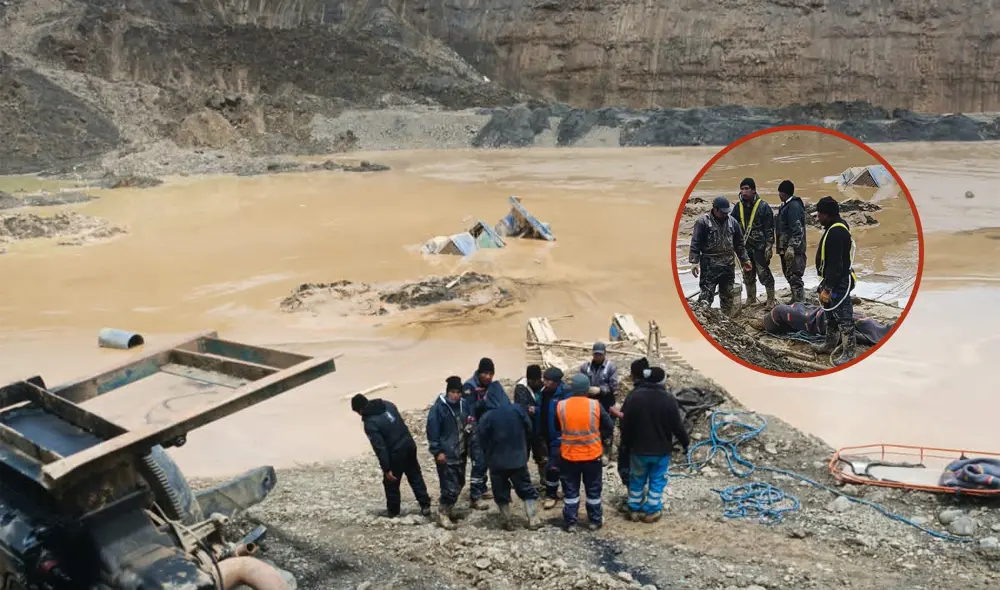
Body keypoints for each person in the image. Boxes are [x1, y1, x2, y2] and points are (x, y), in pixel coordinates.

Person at [619, 367, 690, 523]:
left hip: (638, 450)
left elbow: (625, 423)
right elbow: (677, 426)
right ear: (662, 381)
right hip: (660, 450)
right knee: (657, 479)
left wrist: (625, 444)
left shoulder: (634, 397)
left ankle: (634, 508)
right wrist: (685, 443)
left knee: (637, 478)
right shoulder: (668, 399)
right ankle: (651, 510)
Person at [353, 394, 432, 519]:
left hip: (396, 453)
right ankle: (425, 505)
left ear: (360, 410)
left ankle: (393, 511)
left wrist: (386, 468)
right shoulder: (387, 404)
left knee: (391, 482)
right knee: (415, 475)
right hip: (409, 444)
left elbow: (380, 447)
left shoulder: (370, 422)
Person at [555, 374, 615, 532]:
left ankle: (571, 523)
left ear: (572, 388)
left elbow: (556, 426)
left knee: (570, 491)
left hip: (569, 456)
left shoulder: (561, 405)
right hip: (591, 456)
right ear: (587, 389)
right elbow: (609, 425)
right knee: (593, 491)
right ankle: (594, 521)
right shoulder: (594, 405)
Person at [477, 390, 542, 530]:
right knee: (526, 488)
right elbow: (529, 427)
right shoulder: (517, 409)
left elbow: (481, 439)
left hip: (496, 462)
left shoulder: (487, 416)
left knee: (500, 491)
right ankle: (533, 519)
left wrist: (487, 455)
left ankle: (507, 521)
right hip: (518, 459)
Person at [812, 196, 858, 366]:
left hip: (838, 281)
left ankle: (849, 352)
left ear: (827, 214)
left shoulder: (836, 232)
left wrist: (828, 288)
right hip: (832, 279)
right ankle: (830, 344)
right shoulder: (836, 225)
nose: (817, 217)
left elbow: (836, 264)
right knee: (829, 314)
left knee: (844, 316)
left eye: (819, 214)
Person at [689, 196, 753, 316]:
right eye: (723, 212)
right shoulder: (703, 222)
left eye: (726, 212)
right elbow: (695, 243)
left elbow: (739, 244)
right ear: (715, 209)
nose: (725, 214)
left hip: (728, 266)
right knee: (706, 297)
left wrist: (745, 259)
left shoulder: (732, 222)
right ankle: (703, 320)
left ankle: (727, 319)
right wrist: (694, 262)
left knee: (728, 296)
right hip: (709, 266)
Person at [462, 358, 508, 510]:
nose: (488, 377)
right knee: (479, 463)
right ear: (479, 372)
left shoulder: (492, 386)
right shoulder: (469, 387)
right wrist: (484, 401)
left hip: (489, 428)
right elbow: (468, 410)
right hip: (475, 430)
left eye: (490, 374)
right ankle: (475, 496)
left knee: (487, 460)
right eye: (485, 373)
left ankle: (482, 487)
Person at [426, 376, 470, 529]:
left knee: (460, 483)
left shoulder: (464, 405)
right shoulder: (438, 409)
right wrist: (437, 452)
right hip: (446, 454)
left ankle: (449, 509)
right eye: (452, 392)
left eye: (458, 392)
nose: (455, 395)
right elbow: (432, 432)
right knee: (449, 487)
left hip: (461, 451)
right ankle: (442, 513)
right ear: (447, 392)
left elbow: (469, 421)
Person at [732, 178, 776, 308]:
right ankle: (751, 298)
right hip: (744, 248)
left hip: (760, 247)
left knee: (764, 273)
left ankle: (771, 299)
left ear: (753, 190)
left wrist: (769, 246)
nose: (744, 192)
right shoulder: (737, 207)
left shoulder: (763, 206)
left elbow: (769, 229)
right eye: (742, 189)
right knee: (747, 273)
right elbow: (732, 227)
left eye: (747, 189)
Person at [613, 357, 649, 509]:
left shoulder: (635, 395)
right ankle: (646, 501)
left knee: (628, 471)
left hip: (634, 443)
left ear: (634, 375)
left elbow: (627, 420)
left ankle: (634, 503)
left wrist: (617, 413)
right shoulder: (661, 393)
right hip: (654, 443)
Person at [578, 342, 619, 466]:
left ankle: (606, 453)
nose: (597, 357)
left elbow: (614, 386)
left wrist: (600, 390)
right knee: (590, 427)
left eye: (600, 355)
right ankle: (591, 452)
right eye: (596, 354)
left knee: (607, 428)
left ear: (604, 354)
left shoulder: (610, 368)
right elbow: (580, 381)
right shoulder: (586, 367)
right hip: (590, 402)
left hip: (606, 402)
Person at [538, 366, 569, 509]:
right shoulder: (544, 392)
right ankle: (561, 491)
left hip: (559, 436)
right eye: (544, 379)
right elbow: (542, 409)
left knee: (554, 466)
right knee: (552, 464)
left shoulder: (566, 395)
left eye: (548, 381)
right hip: (546, 435)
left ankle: (552, 494)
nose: (545, 382)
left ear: (557, 382)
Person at [512, 364, 548, 485]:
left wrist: (534, 409)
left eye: (538, 380)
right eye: (534, 381)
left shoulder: (542, 386)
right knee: (523, 456)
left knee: (542, 455)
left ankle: (545, 478)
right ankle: (521, 481)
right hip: (524, 428)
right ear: (529, 380)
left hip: (539, 427)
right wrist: (530, 408)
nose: (537, 382)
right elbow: (521, 407)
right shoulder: (521, 388)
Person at [775, 180, 807, 303]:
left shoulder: (793, 206)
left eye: (780, 192)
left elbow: (797, 229)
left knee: (795, 275)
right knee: (789, 274)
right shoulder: (785, 206)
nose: (779, 195)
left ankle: (799, 301)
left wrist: (792, 247)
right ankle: (795, 298)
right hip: (786, 248)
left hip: (794, 249)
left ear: (784, 193)